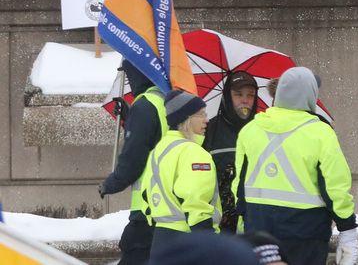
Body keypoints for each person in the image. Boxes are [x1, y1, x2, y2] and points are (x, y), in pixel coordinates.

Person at [234, 67, 358, 265]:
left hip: (258, 229)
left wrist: (243, 220)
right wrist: (347, 228)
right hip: (306, 233)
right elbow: (335, 186)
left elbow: (239, 184)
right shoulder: (320, 133)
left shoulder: (250, 130)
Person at [99, 60, 168, 265]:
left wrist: (112, 183)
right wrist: (130, 119)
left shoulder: (145, 105)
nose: (129, 80)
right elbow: (157, 138)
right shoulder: (166, 100)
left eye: (130, 75)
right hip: (169, 207)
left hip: (147, 209)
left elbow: (134, 156)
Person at [143, 90, 219, 256]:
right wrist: (208, 242)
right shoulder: (194, 153)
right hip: (188, 240)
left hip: (159, 239)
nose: (207, 119)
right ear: (186, 118)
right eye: (201, 114)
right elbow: (195, 201)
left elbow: (145, 195)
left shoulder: (158, 150)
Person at [203, 71, 260, 233]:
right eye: (238, 94)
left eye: (250, 95)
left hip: (253, 221)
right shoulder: (210, 130)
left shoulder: (262, 129)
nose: (245, 100)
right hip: (219, 225)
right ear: (227, 97)